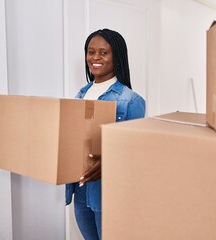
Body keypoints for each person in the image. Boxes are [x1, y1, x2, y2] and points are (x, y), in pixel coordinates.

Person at [65, 29, 146, 240]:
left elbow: (135, 154)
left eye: (103, 52)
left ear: (116, 56)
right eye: (91, 52)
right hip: (80, 188)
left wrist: (109, 160)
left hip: (109, 192)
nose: (96, 58)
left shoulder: (131, 100)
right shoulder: (80, 95)